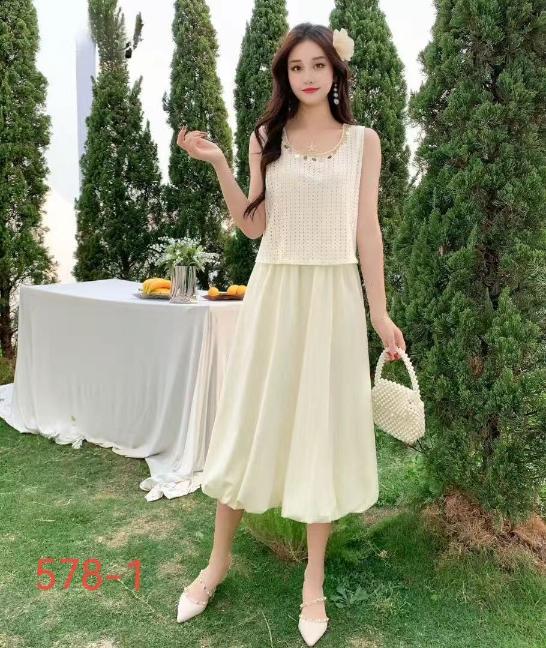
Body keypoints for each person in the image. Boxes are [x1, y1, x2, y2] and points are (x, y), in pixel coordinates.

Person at [175, 22, 406, 647]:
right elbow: (252, 226)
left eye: (318, 65)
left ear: (335, 72)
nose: (308, 76)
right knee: (252, 420)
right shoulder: (264, 138)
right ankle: (216, 564)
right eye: (297, 66)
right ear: (286, 74)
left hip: (333, 298)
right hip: (275, 293)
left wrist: (379, 313)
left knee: (319, 431)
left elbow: (368, 232)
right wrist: (221, 163)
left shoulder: (363, 142)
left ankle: (314, 581)